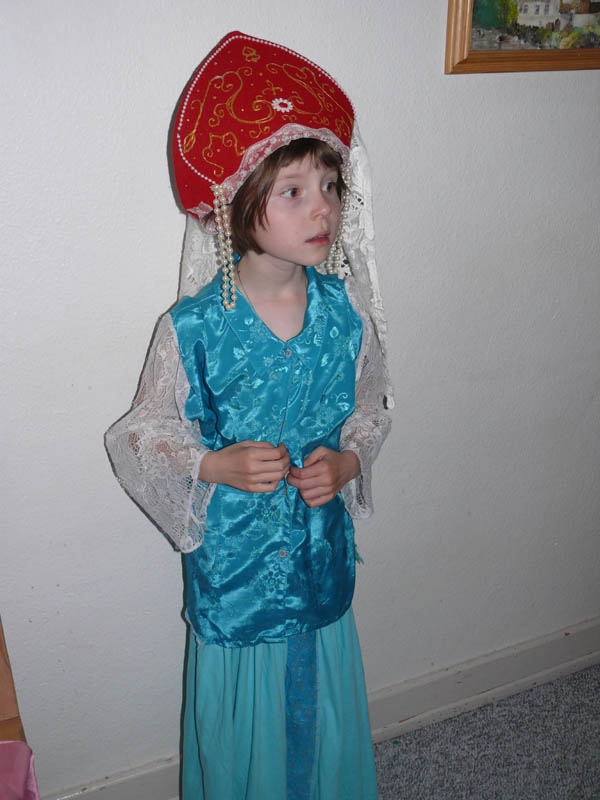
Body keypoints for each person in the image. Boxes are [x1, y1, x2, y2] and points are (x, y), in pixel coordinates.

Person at [105, 31, 392, 800]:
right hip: (237, 566)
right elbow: (141, 433)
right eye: (292, 190)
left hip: (319, 553)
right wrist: (210, 462)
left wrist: (350, 460)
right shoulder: (194, 328)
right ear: (233, 203)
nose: (321, 206)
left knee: (318, 694)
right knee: (248, 720)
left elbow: (371, 404)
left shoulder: (346, 313)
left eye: (329, 185)